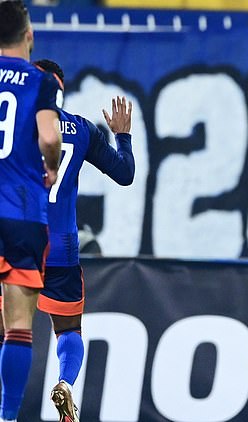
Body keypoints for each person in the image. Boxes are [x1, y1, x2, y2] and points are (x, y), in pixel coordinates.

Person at [33, 59, 135, 422]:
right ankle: (65, 383)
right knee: (69, 330)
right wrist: (122, 136)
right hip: (63, 246)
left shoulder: (13, 127)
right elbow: (124, 174)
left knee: (8, 327)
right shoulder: (81, 129)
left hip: (20, 241)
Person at [0, 2, 63, 421]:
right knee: (18, 324)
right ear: (29, 36)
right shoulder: (42, 81)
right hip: (20, 210)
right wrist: (52, 167)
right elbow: (48, 136)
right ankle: (7, 417)